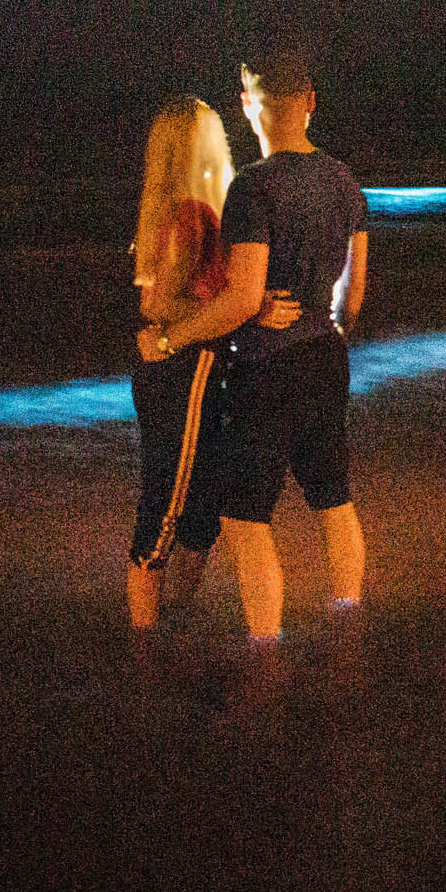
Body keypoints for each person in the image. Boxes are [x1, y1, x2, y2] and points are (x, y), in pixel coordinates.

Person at [139, 46, 368, 647]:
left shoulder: (252, 189)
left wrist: (171, 337)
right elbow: (353, 294)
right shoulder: (345, 181)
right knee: (333, 499)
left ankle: (266, 650)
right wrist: (327, 326)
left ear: (249, 108)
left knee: (246, 517)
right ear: (311, 103)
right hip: (327, 358)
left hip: (270, 368)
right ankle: (350, 620)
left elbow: (242, 298)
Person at [125, 96, 299, 630]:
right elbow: (156, 306)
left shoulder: (178, 211)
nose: (225, 140)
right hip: (185, 371)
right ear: (195, 147)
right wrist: (249, 308)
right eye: (214, 134)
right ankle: (146, 637)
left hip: (184, 367)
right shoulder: (191, 215)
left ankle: (166, 632)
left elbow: (151, 302)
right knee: (171, 500)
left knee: (201, 507)